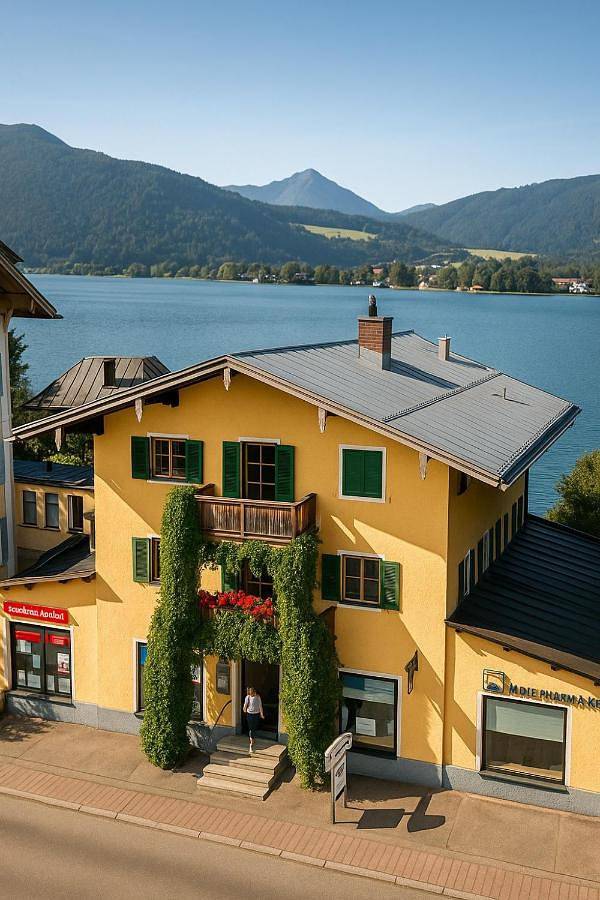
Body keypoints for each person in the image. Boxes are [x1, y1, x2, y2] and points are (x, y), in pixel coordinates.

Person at [243, 686, 265, 753]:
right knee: (251, 728)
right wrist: (244, 709)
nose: (251, 693)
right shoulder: (248, 697)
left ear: (254, 691)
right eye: (250, 692)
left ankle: (252, 738)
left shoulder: (258, 697)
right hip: (249, 714)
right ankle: (251, 744)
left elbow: (260, 706)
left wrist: (261, 714)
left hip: (256, 714)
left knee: (254, 727)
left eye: (252, 692)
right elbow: (245, 705)